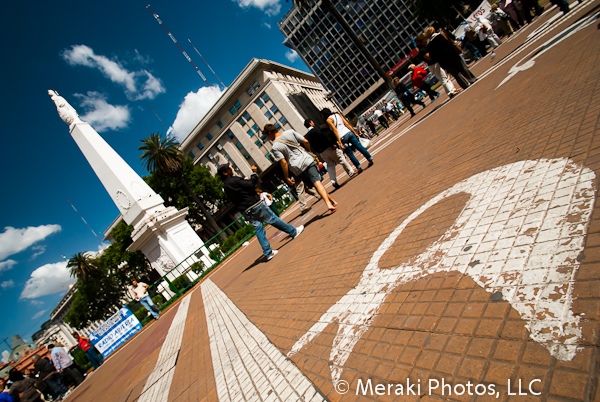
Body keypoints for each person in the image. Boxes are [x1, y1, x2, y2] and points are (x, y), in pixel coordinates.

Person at [219, 163, 303, 260]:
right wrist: (254, 173)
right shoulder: (234, 180)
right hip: (254, 205)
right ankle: (293, 232)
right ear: (225, 173)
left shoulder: (225, 187)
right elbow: (251, 184)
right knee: (273, 219)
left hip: (246, 210)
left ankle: (268, 252)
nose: (231, 168)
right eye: (228, 168)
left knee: (259, 229)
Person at [264, 123, 338, 214]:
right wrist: (308, 151)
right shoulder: (290, 132)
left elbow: (283, 162)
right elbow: (306, 141)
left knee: (316, 184)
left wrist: (287, 177)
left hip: (297, 168)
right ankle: (331, 201)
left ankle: (329, 203)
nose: (267, 139)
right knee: (317, 183)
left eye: (266, 136)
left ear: (270, 132)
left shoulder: (275, 147)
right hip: (307, 160)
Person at [304, 119, 354, 189]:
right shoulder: (317, 129)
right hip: (328, 148)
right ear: (310, 123)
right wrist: (332, 144)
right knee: (341, 159)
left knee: (330, 165)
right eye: (312, 121)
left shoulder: (307, 136)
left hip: (321, 152)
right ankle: (351, 172)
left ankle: (333, 181)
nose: (313, 122)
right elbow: (324, 137)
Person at [320, 108, 374, 173]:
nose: (322, 117)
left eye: (322, 115)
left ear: (325, 114)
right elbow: (347, 124)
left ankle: (359, 167)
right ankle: (370, 159)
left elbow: (335, 130)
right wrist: (355, 132)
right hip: (349, 132)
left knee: (349, 153)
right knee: (359, 147)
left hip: (342, 137)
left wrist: (339, 142)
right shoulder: (338, 115)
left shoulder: (329, 120)